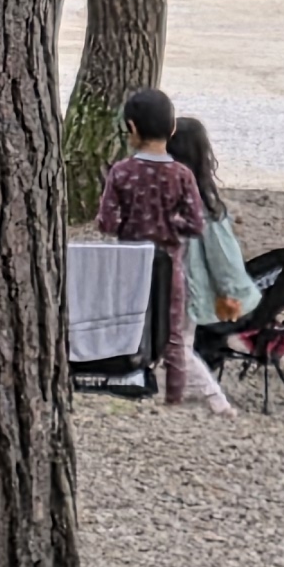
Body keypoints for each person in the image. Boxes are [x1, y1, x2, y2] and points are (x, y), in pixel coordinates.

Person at [96, 87, 230, 411]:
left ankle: (128, 384)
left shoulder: (122, 172)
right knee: (174, 338)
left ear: (131, 128)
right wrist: (169, 227)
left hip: (130, 264)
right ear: (171, 129)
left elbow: (106, 223)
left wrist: (132, 223)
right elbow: (196, 224)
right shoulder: (182, 174)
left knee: (129, 326)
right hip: (170, 265)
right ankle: (173, 398)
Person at [168, 113, 258, 376]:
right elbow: (225, 259)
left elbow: (222, 259)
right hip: (190, 293)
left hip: (193, 297)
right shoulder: (202, 201)